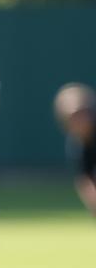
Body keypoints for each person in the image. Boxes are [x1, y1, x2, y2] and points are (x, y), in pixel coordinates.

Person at [52, 83, 96, 216]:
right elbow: (85, 181)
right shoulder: (78, 145)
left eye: (81, 114)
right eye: (72, 117)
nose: (78, 121)